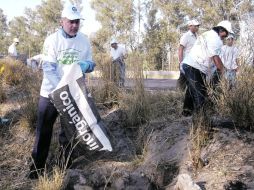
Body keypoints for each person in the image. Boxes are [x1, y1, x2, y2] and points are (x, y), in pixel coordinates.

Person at [28, 4, 95, 179]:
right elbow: (49, 70)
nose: (74, 25)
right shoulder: (52, 40)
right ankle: (36, 170)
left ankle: (63, 168)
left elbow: (90, 64)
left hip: (73, 93)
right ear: (62, 22)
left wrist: (87, 65)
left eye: (77, 22)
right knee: (43, 131)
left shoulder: (84, 40)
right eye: (71, 21)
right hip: (50, 93)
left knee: (68, 133)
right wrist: (61, 89)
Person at [181, 20, 234, 116]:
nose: (225, 37)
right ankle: (201, 120)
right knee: (200, 94)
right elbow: (216, 59)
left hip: (192, 65)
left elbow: (212, 58)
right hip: (194, 66)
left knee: (191, 90)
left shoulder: (207, 34)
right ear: (221, 30)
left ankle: (186, 113)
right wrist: (225, 75)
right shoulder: (216, 40)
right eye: (225, 34)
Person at [178, 19, 200, 116]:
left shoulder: (197, 37)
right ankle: (186, 111)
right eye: (194, 26)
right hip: (187, 64)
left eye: (197, 26)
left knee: (193, 87)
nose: (196, 27)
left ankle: (190, 110)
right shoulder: (186, 36)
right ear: (189, 26)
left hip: (195, 64)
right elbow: (180, 49)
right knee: (191, 87)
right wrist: (181, 62)